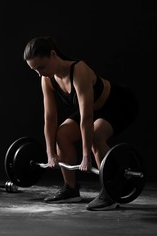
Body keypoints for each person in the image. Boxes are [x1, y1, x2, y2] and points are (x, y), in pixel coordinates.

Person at [23, 36, 139, 211]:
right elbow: (50, 118)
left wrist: (86, 156)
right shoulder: (47, 78)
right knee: (62, 134)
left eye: (41, 67)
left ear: (53, 54)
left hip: (119, 103)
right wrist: (50, 153)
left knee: (96, 136)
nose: (39, 73)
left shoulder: (79, 70)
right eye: (35, 70)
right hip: (94, 109)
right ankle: (71, 190)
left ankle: (112, 191)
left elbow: (86, 117)